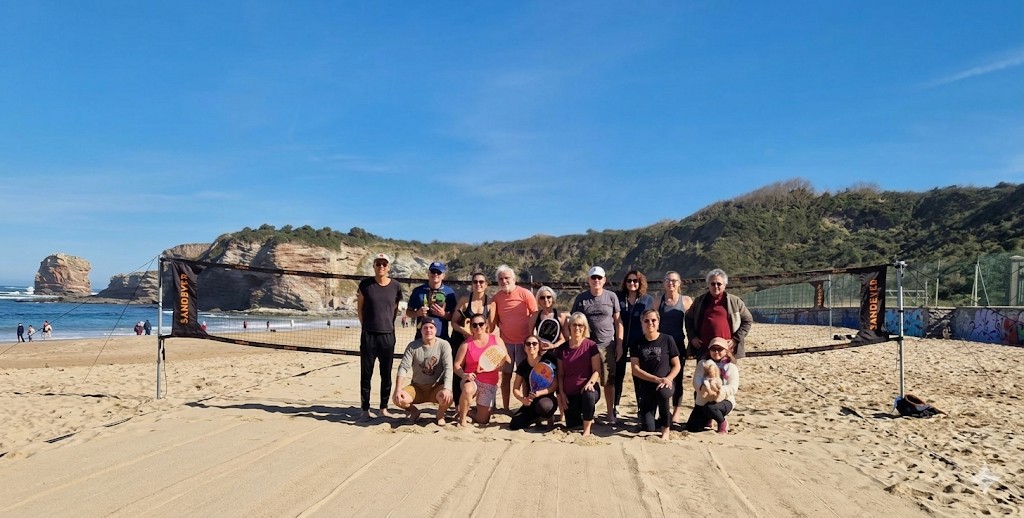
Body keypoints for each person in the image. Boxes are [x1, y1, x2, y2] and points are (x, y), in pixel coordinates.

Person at [570, 266, 623, 425]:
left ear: (604, 280)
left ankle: (610, 413)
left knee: (608, 382)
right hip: (587, 346)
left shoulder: (611, 297)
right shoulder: (581, 299)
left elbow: (618, 322)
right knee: (585, 380)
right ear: (589, 280)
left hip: (607, 345)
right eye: (593, 278)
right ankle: (588, 413)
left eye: (599, 277)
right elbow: (573, 321)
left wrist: (619, 344)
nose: (596, 280)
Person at [357, 252, 404, 420]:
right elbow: (360, 308)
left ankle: (383, 408)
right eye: (378, 263)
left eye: (384, 264)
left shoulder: (396, 286)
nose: (381, 266)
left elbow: (394, 309)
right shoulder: (365, 284)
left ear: (389, 267)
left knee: (386, 374)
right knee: (366, 374)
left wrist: (387, 325)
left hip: (387, 335)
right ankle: (365, 409)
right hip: (369, 335)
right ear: (374, 266)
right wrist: (366, 327)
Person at [490, 265, 538, 412]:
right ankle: (506, 408)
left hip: (525, 344)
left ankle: (526, 407)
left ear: (514, 279)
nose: (504, 281)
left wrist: (532, 336)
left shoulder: (525, 294)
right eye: (501, 279)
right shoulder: (496, 298)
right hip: (506, 344)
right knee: (506, 376)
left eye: (507, 278)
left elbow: (535, 314)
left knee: (525, 377)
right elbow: (493, 321)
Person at [391, 319, 454, 425]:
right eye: (425, 328)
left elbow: (448, 368)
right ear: (421, 331)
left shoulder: (444, 345)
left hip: (435, 387)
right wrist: (398, 389)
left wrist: (447, 388)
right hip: (417, 387)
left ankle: (440, 415)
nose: (428, 330)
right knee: (397, 398)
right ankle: (414, 412)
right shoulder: (413, 346)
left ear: (436, 330)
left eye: (431, 327)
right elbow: (403, 367)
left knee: (448, 396)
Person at [631, 309, 681, 439]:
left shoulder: (667, 339)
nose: (650, 323)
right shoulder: (637, 342)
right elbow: (635, 369)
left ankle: (666, 428)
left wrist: (667, 379)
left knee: (663, 392)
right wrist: (656, 380)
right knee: (649, 427)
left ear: (658, 322)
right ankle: (660, 418)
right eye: (646, 321)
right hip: (647, 387)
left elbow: (677, 365)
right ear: (641, 322)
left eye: (653, 320)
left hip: (665, 384)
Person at [453, 313, 509, 427]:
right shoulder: (466, 344)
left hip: (489, 382)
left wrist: (499, 364)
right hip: (471, 379)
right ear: (471, 327)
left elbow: (507, 359)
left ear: (486, 324)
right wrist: (464, 375)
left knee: (482, 420)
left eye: (481, 324)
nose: (478, 327)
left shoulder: (496, 340)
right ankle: (462, 419)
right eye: (474, 325)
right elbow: (456, 365)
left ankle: (467, 411)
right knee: (468, 389)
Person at [684, 268, 753, 359]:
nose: (715, 286)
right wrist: (693, 337)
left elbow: (747, 320)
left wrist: (736, 339)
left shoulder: (735, 301)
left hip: (726, 350)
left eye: (719, 284)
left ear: (725, 285)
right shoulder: (699, 301)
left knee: (727, 369)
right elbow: (689, 319)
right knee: (705, 369)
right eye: (712, 283)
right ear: (708, 285)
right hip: (704, 349)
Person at [450, 271, 495, 407]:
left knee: (480, 370)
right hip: (461, 340)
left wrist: (480, 337)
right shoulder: (465, 301)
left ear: (486, 285)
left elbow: (491, 327)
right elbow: (453, 322)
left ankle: (480, 404)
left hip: (479, 342)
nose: (478, 284)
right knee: (459, 371)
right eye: (475, 282)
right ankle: (458, 405)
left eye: (481, 282)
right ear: (472, 284)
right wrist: (467, 333)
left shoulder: (490, 303)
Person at [556, 312, 602, 437]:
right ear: (569, 327)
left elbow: (597, 370)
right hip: (570, 394)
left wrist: (590, 383)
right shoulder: (562, 349)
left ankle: (587, 430)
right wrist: (561, 393)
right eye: (574, 324)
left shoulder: (591, 346)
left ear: (585, 328)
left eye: (580, 325)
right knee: (572, 424)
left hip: (587, 389)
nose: (577, 328)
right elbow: (560, 374)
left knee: (588, 395)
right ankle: (586, 416)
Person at [616, 269, 654, 414]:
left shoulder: (647, 299)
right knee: (618, 374)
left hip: (639, 341)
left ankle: (641, 406)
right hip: (621, 339)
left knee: (638, 374)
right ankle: (615, 406)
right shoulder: (618, 297)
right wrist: (619, 343)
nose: (632, 283)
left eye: (635, 281)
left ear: (640, 282)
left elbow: (650, 320)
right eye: (629, 280)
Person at [658, 271, 693, 423]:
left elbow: (691, 325)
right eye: (667, 280)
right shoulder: (658, 301)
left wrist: (692, 343)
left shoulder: (686, 301)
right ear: (664, 282)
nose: (670, 283)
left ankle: (676, 412)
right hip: (661, 345)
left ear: (679, 283)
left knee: (678, 379)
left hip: (678, 344)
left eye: (674, 280)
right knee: (661, 377)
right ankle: (663, 411)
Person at [685, 337, 740, 434]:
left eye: (720, 349)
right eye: (713, 349)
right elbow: (696, 381)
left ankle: (722, 422)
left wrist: (720, 390)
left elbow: (733, 387)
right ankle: (708, 419)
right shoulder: (703, 364)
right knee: (692, 427)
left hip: (724, 399)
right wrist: (703, 388)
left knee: (710, 408)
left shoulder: (731, 367)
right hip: (704, 398)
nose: (716, 352)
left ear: (726, 351)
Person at [509, 334, 559, 430]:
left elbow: (554, 386)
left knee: (544, 407)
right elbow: (515, 388)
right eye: (528, 344)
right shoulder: (522, 365)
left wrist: (539, 393)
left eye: (534, 343)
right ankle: (536, 418)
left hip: (547, 398)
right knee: (514, 424)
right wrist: (523, 399)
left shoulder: (547, 361)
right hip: (530, 401)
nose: (531, 346)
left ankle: (548, 417)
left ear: (539, 346)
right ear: (524, 348)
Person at [406, 261, 457, 341]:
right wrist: (418, 313)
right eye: (433, 271)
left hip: (441, 337)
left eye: (438, 272)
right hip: (421, 336)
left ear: (443, 275)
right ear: (428, 273)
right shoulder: (418, 291)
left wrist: (443, 314)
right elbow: (408, 312)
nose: (435, 274)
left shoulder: (449, 292)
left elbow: (455, 317)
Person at [533, 286, 567, 353]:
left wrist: (553, 346)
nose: (545, 300)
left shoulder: (560, 316)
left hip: (557, 352)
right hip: (540, 352)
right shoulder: (535, 316)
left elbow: (565, 338)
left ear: (553, 299)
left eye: (548, 297)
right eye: (542, 298)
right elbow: (531, 336)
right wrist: (538, 344)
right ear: (538, 300)